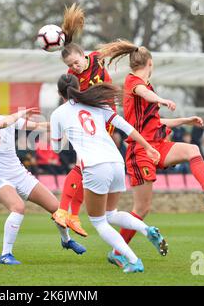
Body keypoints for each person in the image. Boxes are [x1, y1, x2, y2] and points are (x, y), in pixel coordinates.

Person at [97, 39, 204, 266]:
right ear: (150, 63)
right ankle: (118, 251)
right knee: (142, 208)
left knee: (193, 149)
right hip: (140, 149)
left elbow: (156, 121)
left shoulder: (146, 88)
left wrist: (186, 120)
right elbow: (143, 92)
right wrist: (161, 99)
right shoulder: (134, 82)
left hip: (157, 145)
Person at [51, 74, 167, 273]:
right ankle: (145, 229)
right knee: (111, 214)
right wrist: (147, 146)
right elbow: (126, 127)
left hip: (96, 167)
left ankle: (133, 260)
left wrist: (63, 134)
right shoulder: (97, 105)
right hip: (115, 162)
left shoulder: (58, 114)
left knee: (99, 222)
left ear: (59, 93)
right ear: (79, 87)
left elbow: (55, 148)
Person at [0, 90, 85, 265]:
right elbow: (1, 125)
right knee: (18, 207)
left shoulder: (9, 119)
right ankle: (5, 255)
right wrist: (18, 114)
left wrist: (65, 124)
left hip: (19, 174)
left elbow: (39, 126)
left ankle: (66, 240)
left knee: (57, 208)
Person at [52, 3, 114, 238]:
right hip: (89, 124)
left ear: (83, 54)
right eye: (69, 66)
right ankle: (65, 212)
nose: (73, 67)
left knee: (86, 169)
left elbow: (114, 51)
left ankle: (73, 215)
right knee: (82, 166)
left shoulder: (97, 59)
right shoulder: (71, 77)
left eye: (75, 63)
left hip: (105, 119)